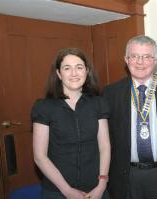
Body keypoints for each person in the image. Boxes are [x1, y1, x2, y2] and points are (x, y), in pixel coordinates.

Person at [102, 35, 157, 199]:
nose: (140, 62)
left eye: (147, 56)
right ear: (126, 60)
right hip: (125, 176)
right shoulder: (110, 93)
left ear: (155, 60)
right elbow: (106, 139)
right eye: (134, 56)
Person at [31, 48, 110, 199]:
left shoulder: (99, 103)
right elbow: (40, 156)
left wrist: (102, 184)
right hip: (57, 191)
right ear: (59, 74)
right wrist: (67, 191)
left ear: (86, 71)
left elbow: (104, 146)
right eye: (67, 68)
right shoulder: (43, 107)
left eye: (79, 67)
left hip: (96, 189)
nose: (74, 73)